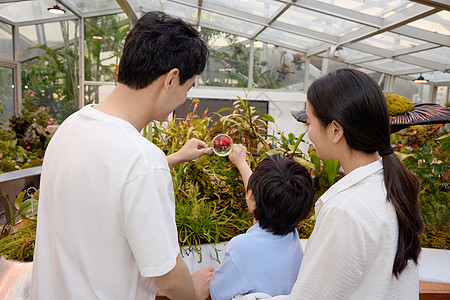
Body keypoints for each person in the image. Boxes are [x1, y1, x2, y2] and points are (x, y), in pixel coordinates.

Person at [30, 11, 214, 300]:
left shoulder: (70, 127)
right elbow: (166, 274)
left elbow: (107, 182)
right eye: (188, 88)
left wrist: (175, 156)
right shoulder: (141, 160)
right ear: (171, 79)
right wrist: (195, 292)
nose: (184, 99)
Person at [289, 68, 423, 299]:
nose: (307, 132)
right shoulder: (390, 184)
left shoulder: (345, 210)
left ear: (335, 130)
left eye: (309, 122)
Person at [210, 144, 315, 300]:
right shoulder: (291, 235)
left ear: (251, 195)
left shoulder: (241, 248)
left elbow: (217, 292)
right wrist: (241, 162)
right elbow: (264, 197)